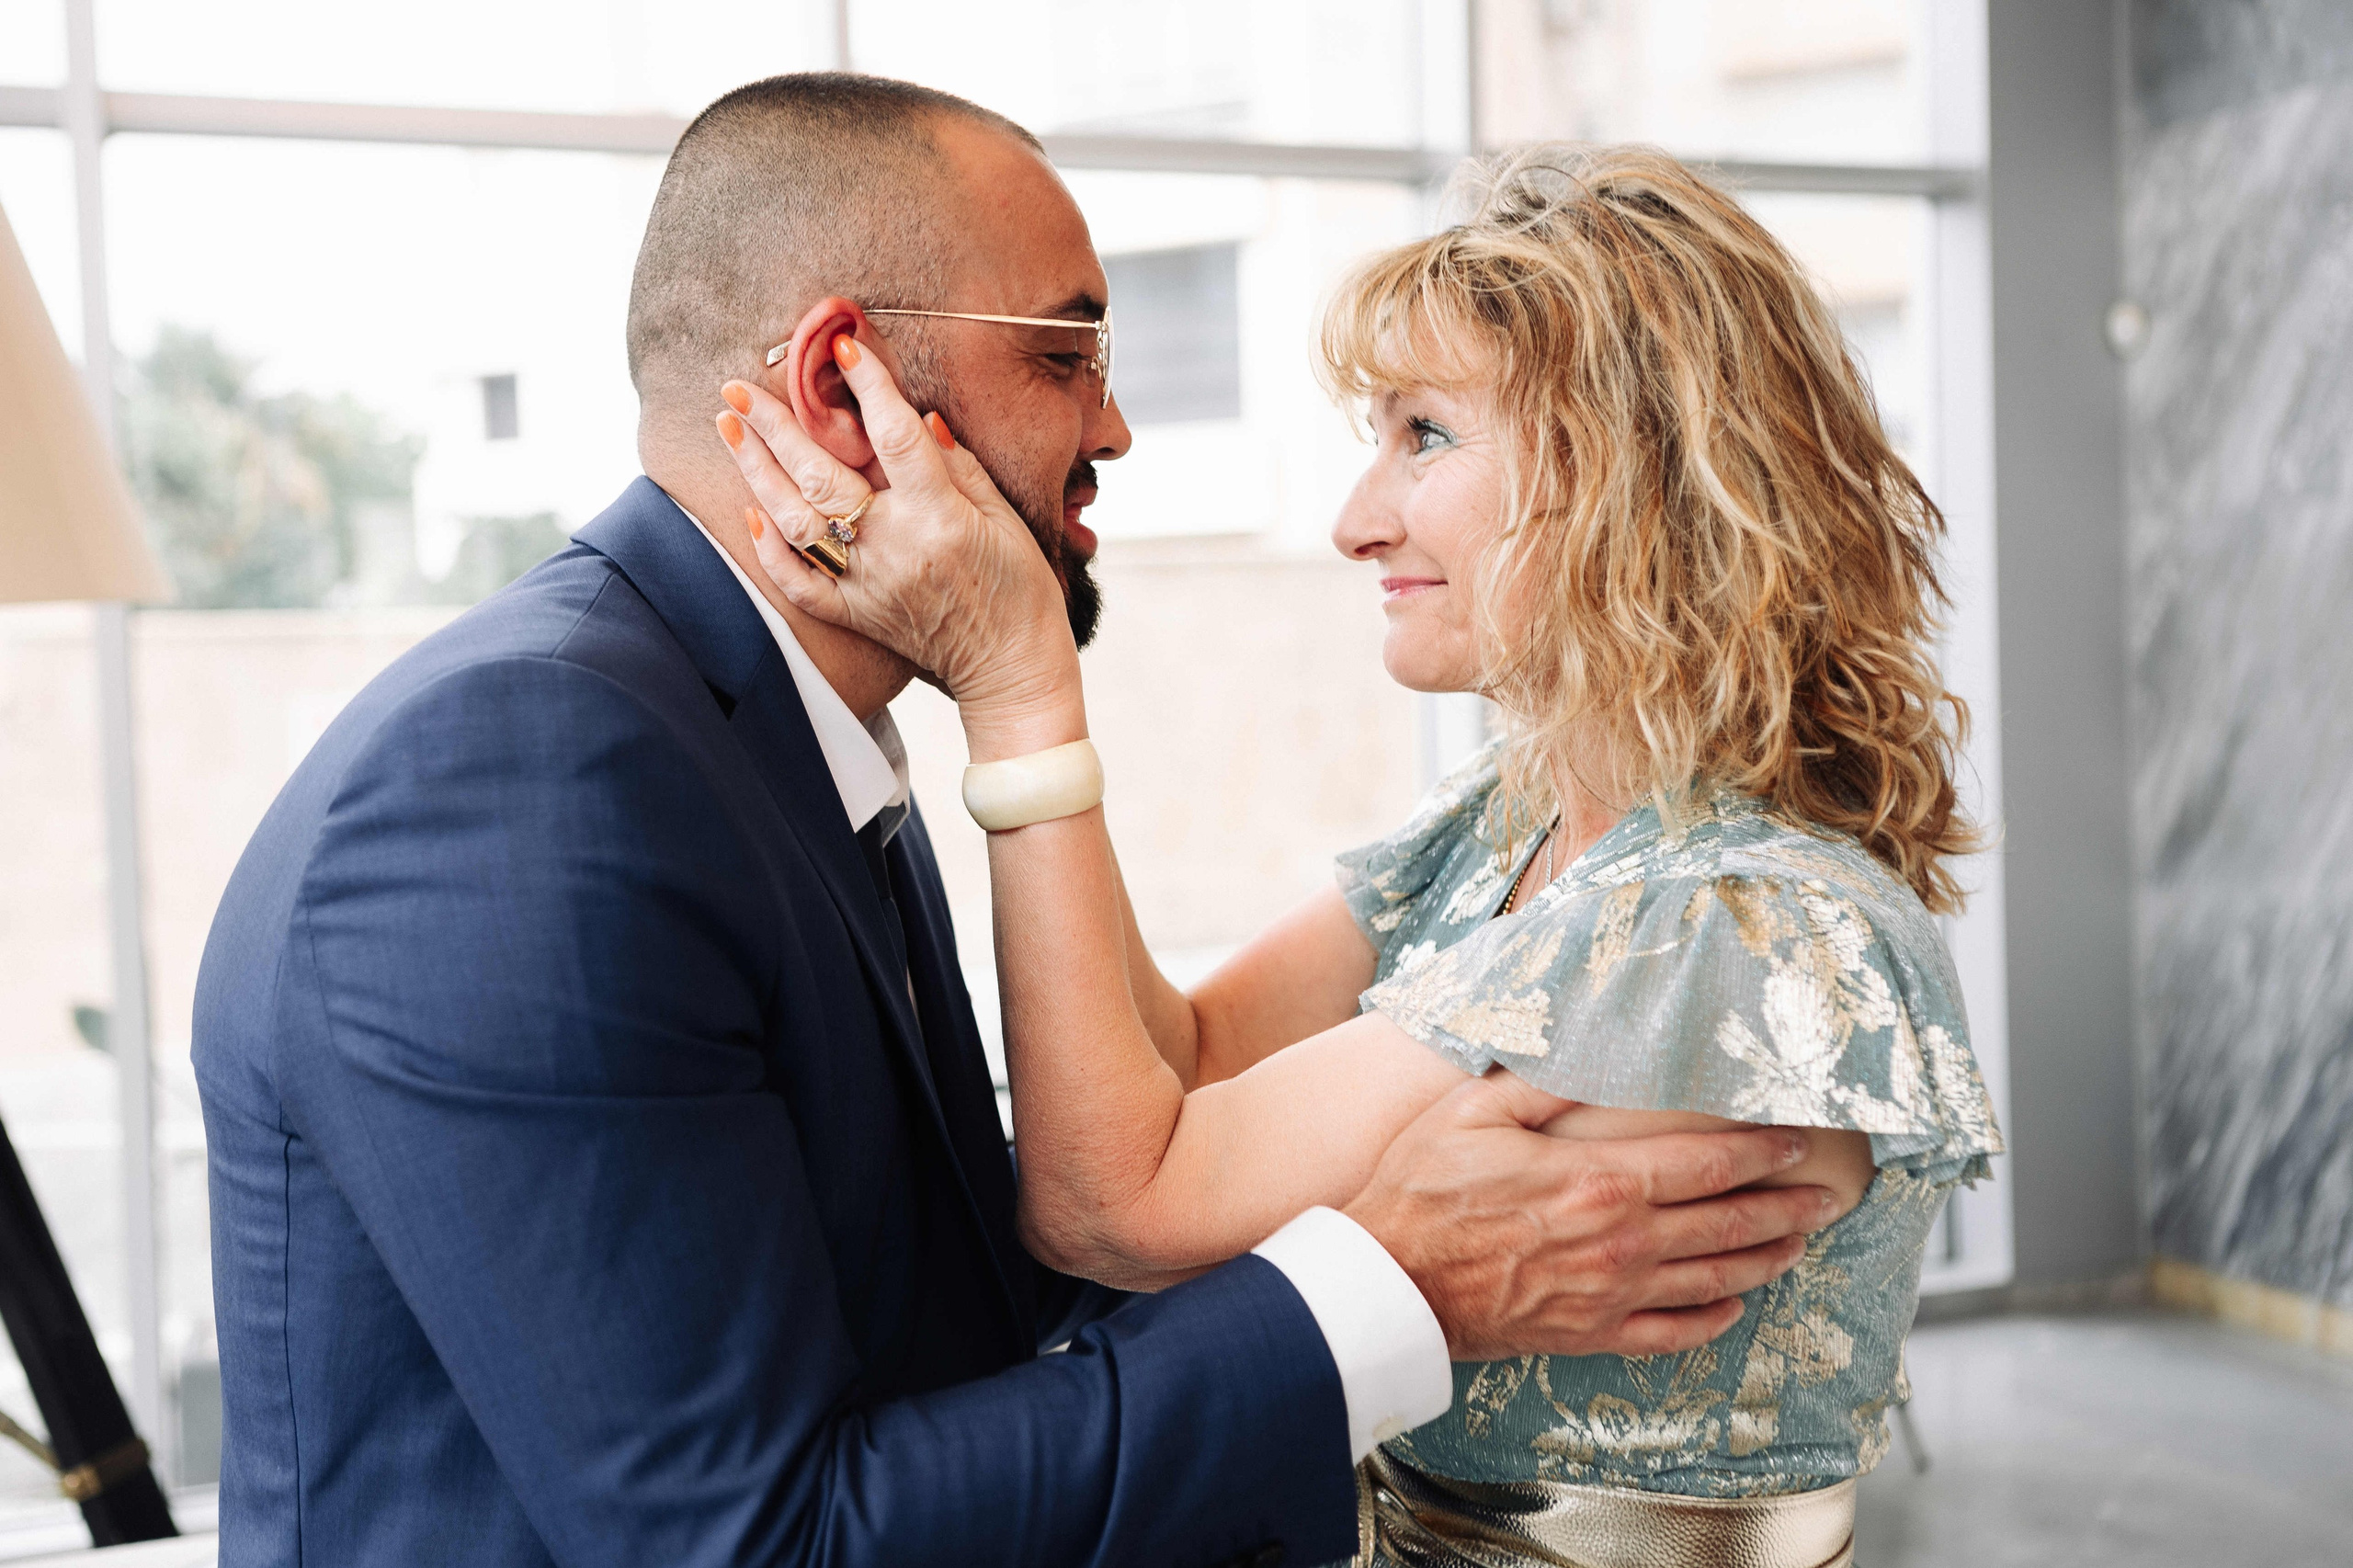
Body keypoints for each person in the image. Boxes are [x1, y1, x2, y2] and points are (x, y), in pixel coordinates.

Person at [192, 81, 1836, 1568]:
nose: (1115, 425)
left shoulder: (756, 736)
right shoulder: (534, 781)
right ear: (845, 384)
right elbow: (755, 1542)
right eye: (1064, 355)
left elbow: (964, 1262)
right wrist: (1386, 1278)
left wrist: (1017, 696)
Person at [720, 142, 2004, 1567]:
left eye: (1426, 434)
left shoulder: (1734, 929)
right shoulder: (1504, 820)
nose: (1354, 520)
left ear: (1630, 476)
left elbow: (1117, 1200)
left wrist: (1020, 686)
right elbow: (1197, 1056)